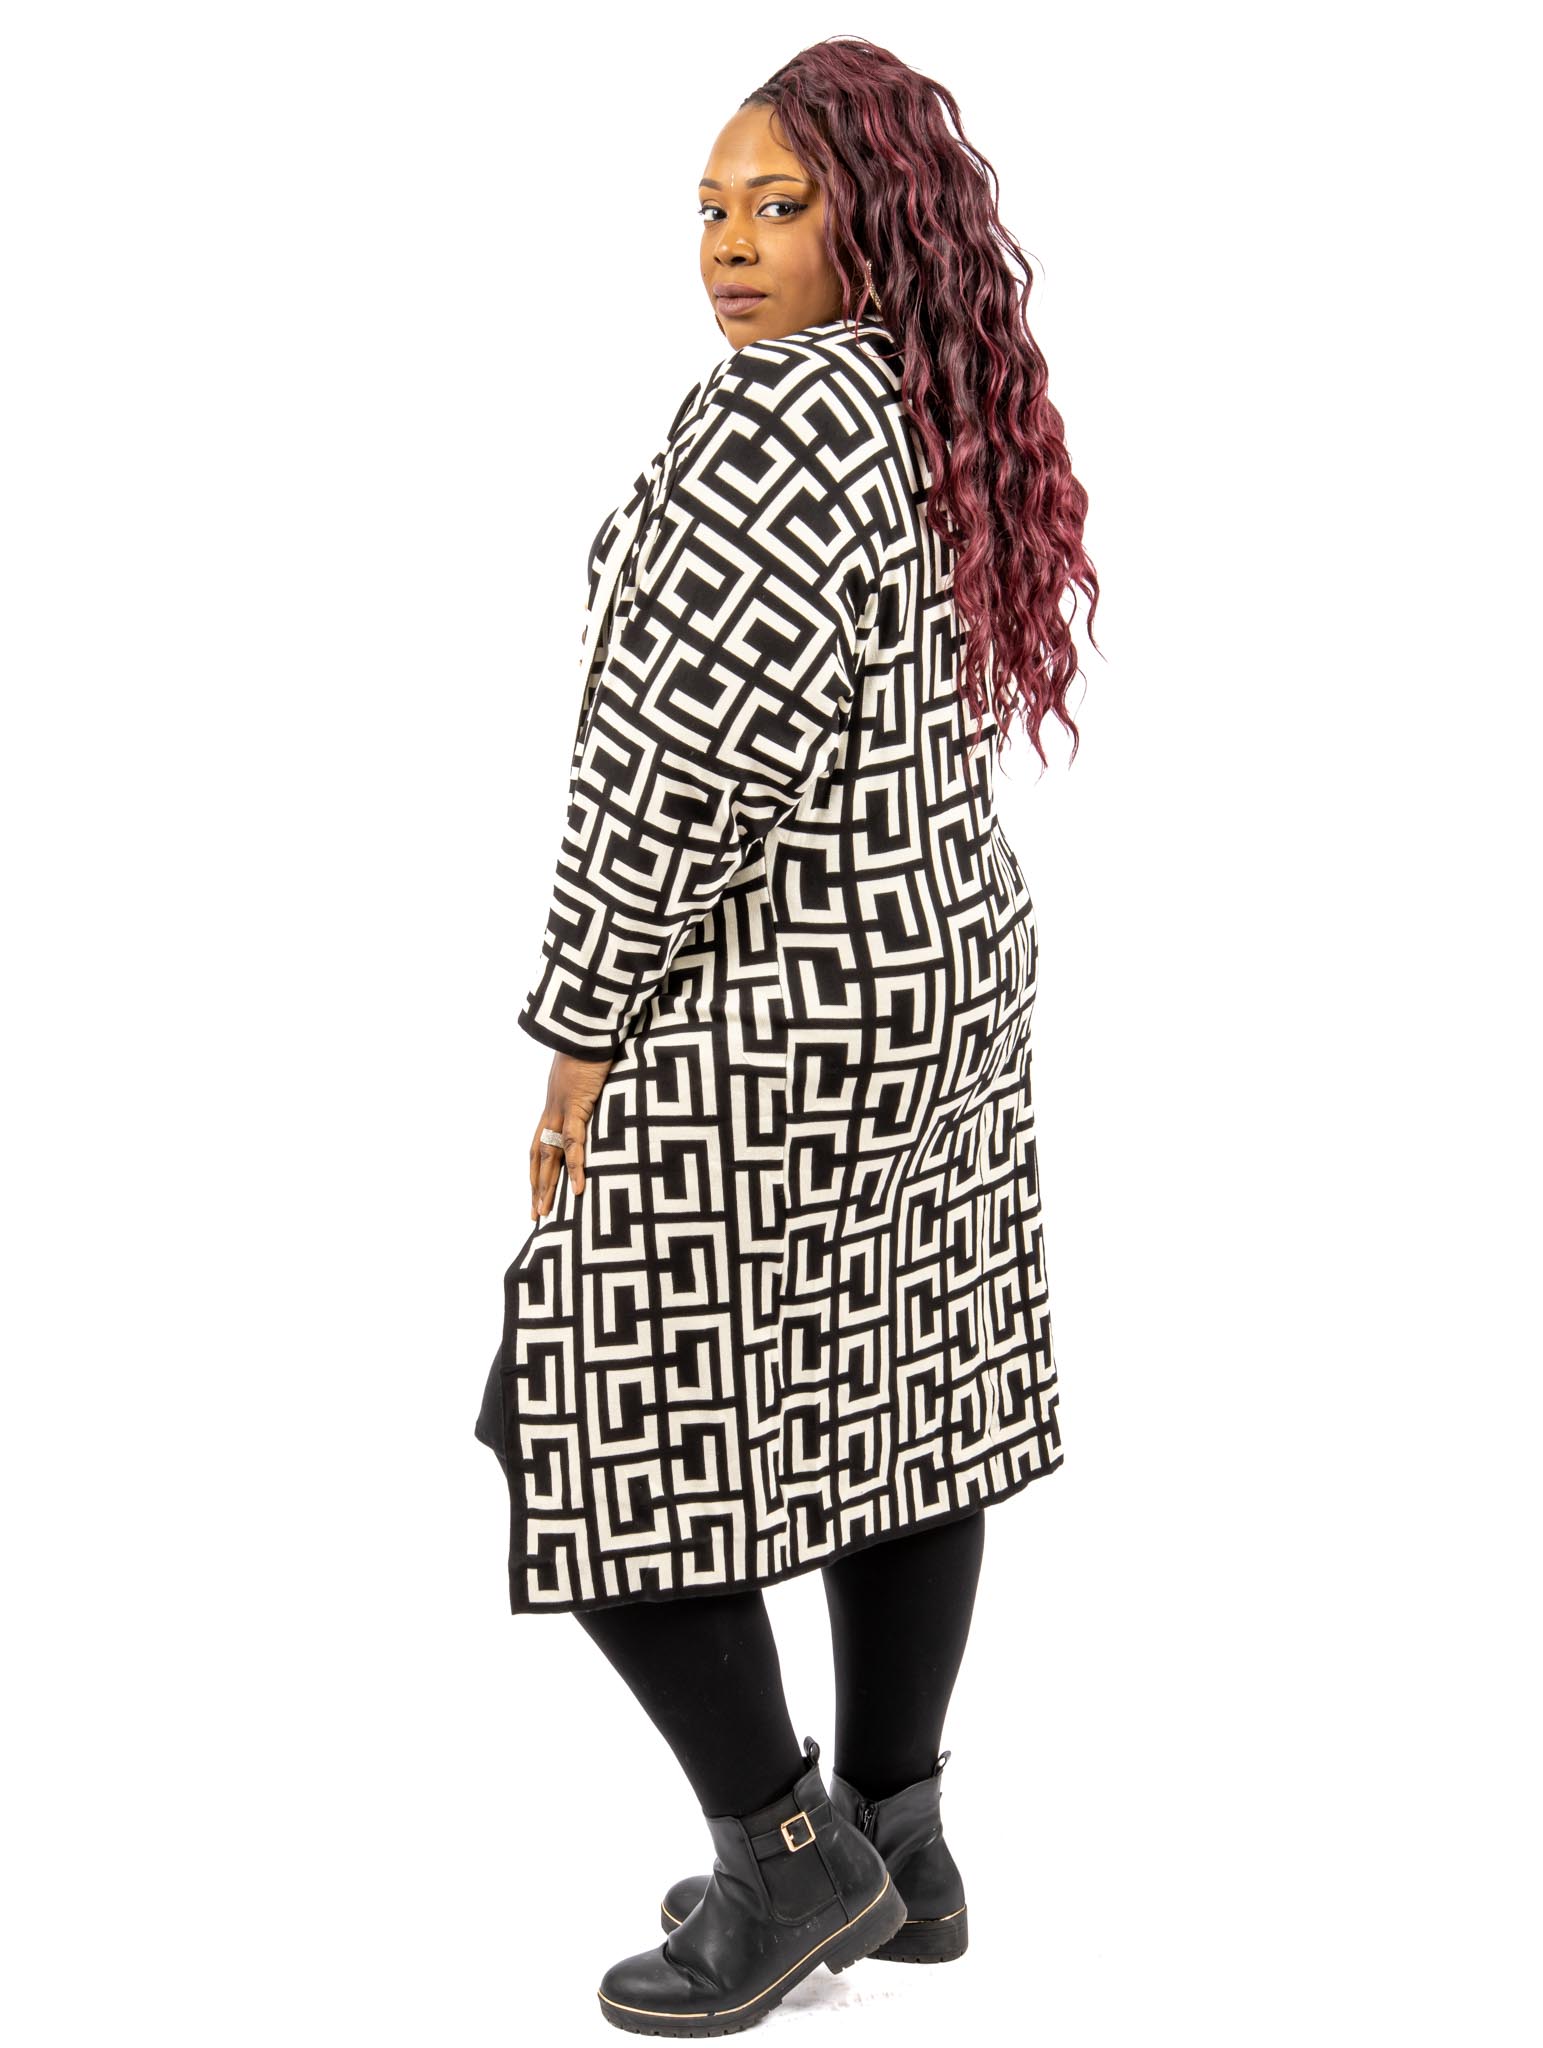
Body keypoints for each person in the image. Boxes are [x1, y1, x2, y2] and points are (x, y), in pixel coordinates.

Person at [473, 35, 1099, 2037]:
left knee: (577, 1402)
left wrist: (580, 1036)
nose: (729, 247)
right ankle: (904, 1841)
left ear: (872, 218)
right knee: (904, 1386)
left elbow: (673, 772)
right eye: (709, 210)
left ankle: (792, 1851)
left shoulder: (772, 426)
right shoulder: (934, 403)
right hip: (940, 980)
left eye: (779, 204)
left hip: (781, 1005)